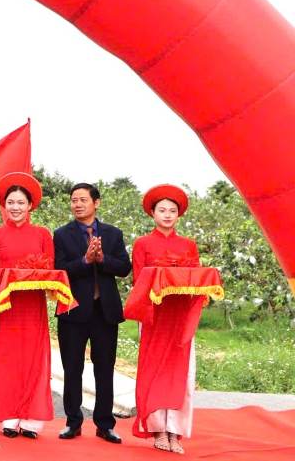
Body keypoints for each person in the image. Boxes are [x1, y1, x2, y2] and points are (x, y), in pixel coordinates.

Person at [55, 182, 131, 443]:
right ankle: (73, 422)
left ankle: (105, 424)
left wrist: (102, 259)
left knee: (105, 369)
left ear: (96, 203)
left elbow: (124, 267)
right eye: (73, 200)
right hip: (73, 310)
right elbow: (59, 269)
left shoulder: (113, 234)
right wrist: (85, 260)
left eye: (82, 200)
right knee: (72, 368)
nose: (77, 204)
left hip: (105, 311)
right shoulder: (61, 235)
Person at [131, 185, 203, 455]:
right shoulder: (142, 244)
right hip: (154, 314)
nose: (167, 215)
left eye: (172, 210)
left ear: (179, 214)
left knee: (181, 372)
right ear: (153, 213)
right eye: (162, 210)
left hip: (180, 315)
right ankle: (158, 429)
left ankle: (175, 432)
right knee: (154, 370)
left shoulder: (188, 245)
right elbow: (139, 281)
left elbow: (197, 279)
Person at [0, 172, 55, 439]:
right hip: (6, 304)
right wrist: (12, 279)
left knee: (33, 359)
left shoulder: (43, 234)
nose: (15, 207)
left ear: (30, 205)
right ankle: (9, 417)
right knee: (7, 359)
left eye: (20, 203)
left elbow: (50, 268)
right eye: (10, 202)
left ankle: (31, 420)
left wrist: (30, 278)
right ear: (4, 205)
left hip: (33, 305)